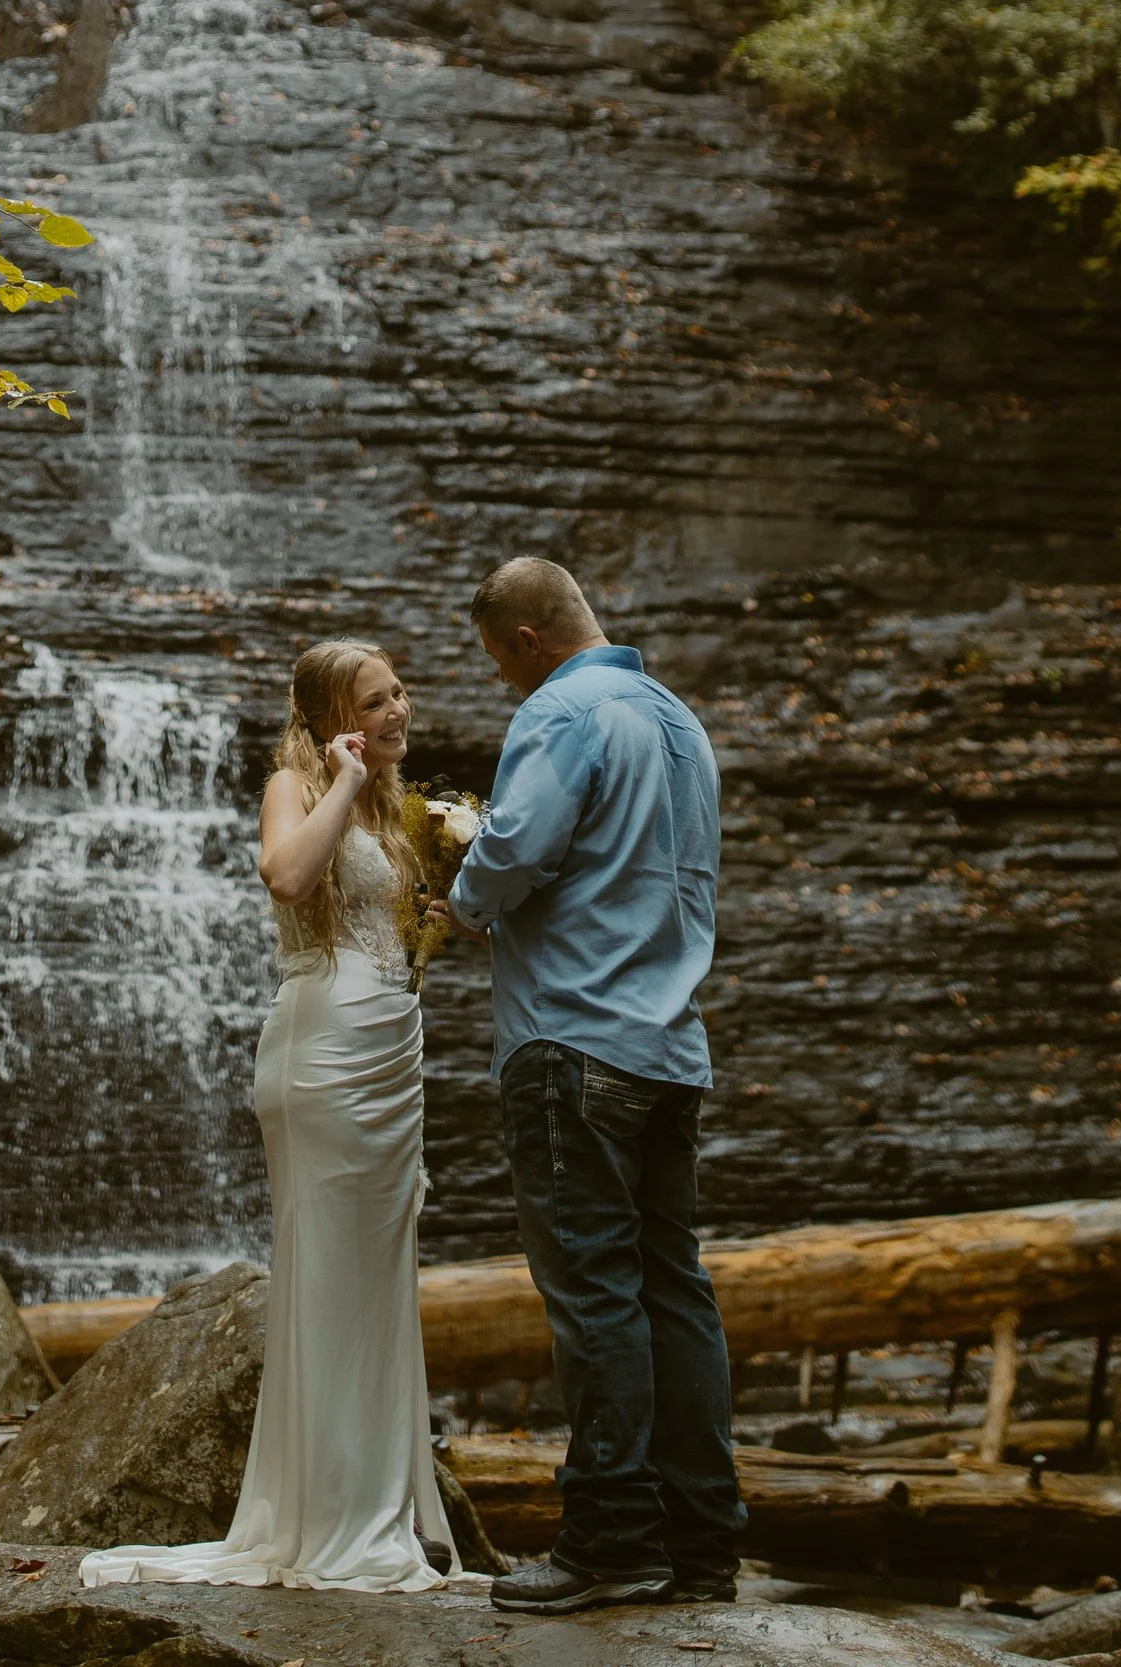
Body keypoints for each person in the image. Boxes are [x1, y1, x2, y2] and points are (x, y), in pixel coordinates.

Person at [81, 640, 482, 1594]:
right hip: (325, 1056)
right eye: (376, 701)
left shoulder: (399, 808)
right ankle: (329, 1517)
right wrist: (343, 781)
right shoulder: (293, 788)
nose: (399, 711)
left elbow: (421, 921)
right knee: (327, 1278)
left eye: (400, 693)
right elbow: (288, 879)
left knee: (380, 1278)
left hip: (393, 1058)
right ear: (329, 716)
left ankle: (376, 1503)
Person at [428, 557, 746, 1616]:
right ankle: (701, 1544)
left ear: (523, 639)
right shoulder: (678, 721)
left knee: (595, 1293)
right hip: (667, 1045)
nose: (503, 686)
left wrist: (459, 894)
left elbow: (515, 850)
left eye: (497, 665)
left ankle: (610, 1537)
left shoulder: (562, 710)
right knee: (674, 1290)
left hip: (570, 1041)